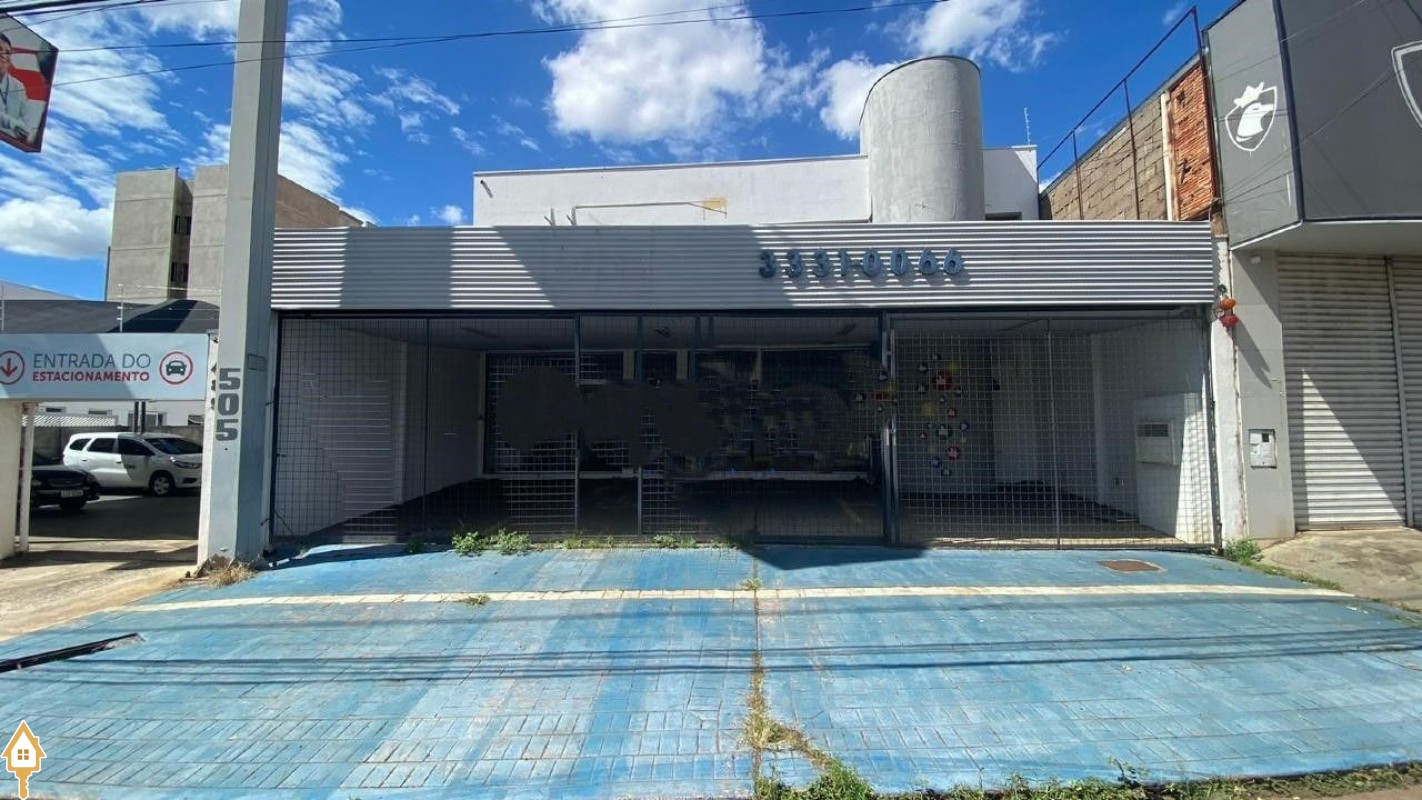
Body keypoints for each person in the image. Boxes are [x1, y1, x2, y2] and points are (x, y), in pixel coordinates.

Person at [0, 32, 36, 143]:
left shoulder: (18, 86)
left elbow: (27, 126)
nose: (4, 55)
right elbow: (19, 129)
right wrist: (14, 125)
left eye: (8, 52)